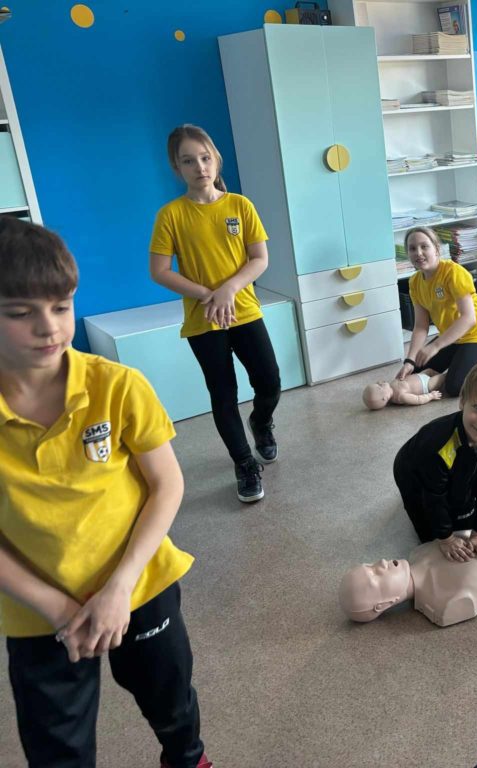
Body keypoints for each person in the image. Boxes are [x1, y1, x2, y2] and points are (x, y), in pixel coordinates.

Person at [0, 219, 210, 768]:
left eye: (62, 306)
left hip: (140, 583)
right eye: (20, 313)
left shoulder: (117, 386)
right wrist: (57, 608)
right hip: (36, 610)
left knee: (172, 702)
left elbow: (167, 483)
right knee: (57, 747)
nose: (49, 327)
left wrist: (120, 587)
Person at [149, 124, 281, 504]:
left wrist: (229, 289)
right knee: (223, 395)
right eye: (188, 161)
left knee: (270, 382)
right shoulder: (171, 215)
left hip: (244, 311)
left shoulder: (240, 205)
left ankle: (261, 422)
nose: (199, 167)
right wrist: (208, 295)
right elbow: (159, 271)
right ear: (177, 167)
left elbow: (259, 258)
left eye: (205, 158)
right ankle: (244, 464)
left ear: (216, 159)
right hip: (203, 320)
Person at [393, 359, 477, 560]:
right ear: (463, 401)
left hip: (457, 462)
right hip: (412, 471)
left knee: (464, 515)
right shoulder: (440, 445)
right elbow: (434, 495)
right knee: (430, 536)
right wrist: (445, 538)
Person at [339, 524, 477, 627]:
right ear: (382, 604)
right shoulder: (443, 604)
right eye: (375, 576)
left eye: (371, 565)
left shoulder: (418, 553)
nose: (382, 563)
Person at [400, 227, 477, 399]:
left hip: (476, 333)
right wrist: (410, 361)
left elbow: (469, 318)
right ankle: (459, 359)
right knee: (415, 371)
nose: (418, 253)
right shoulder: (415, 282)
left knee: (455, 387)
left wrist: (435, 346)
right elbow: (420, 326)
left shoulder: (453, 272)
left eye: (424, 246)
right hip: (452, 336)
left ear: (436, 249)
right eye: (412, 248)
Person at [363, 369, 445, 409]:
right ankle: (446, 379)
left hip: (421, 375)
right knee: (442, 377)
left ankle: (442, 382)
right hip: (426, 384)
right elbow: (418, 399)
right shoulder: (400, 397)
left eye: (377, 383)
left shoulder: (390, 386)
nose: (379, 383)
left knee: (430, 370)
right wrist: (430, 396)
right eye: (379, 386)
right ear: (385, 398)